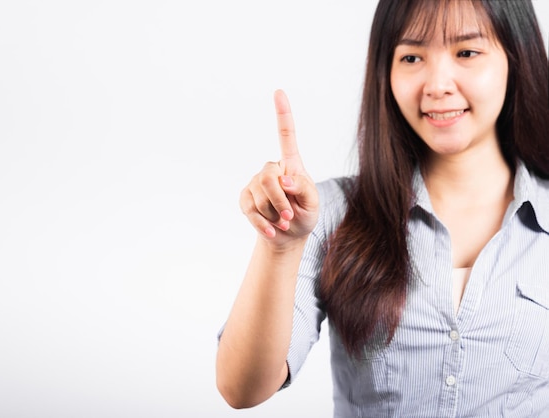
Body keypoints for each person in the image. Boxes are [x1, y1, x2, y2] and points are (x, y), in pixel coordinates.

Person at [216, 0, 549, 416]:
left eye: (467, 52)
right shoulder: (330, 214)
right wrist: (280, 246)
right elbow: (241, 388)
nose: (437, 84)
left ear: (516, 59)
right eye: (411, 57)